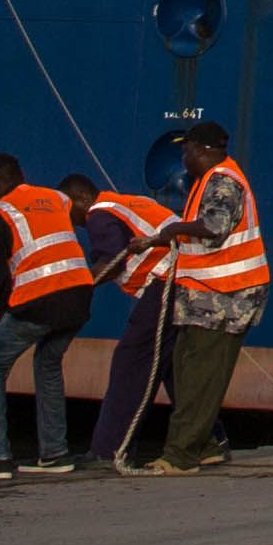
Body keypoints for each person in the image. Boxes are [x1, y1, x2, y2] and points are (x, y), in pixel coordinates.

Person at [132, 123, 267, 472]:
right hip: (204, 297)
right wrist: (155, 240)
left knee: (201, 375)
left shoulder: (223, 181)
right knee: (185, 368)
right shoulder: (207, 181)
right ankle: (205, 446)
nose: (184, 157)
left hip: (226, 297)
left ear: (205, 150)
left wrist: (174, 229)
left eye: (187, 150)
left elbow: (215, 227)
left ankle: (180, 454)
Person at [0, 150, 92, 480]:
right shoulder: (54, 198)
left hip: (39, 301)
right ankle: (54, 452)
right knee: (48, 363)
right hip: (78, 297)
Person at [76, 162, 178, 471]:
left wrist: (75, 285)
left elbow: (112, 262)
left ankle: (110, 448)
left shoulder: (99, 212)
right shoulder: (128, 202)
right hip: (187, 280)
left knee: (131, 362)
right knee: (172, 366)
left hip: (166, 282)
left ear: (81, 198)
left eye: (71, 211)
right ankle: (209, 440)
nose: (73, 222)